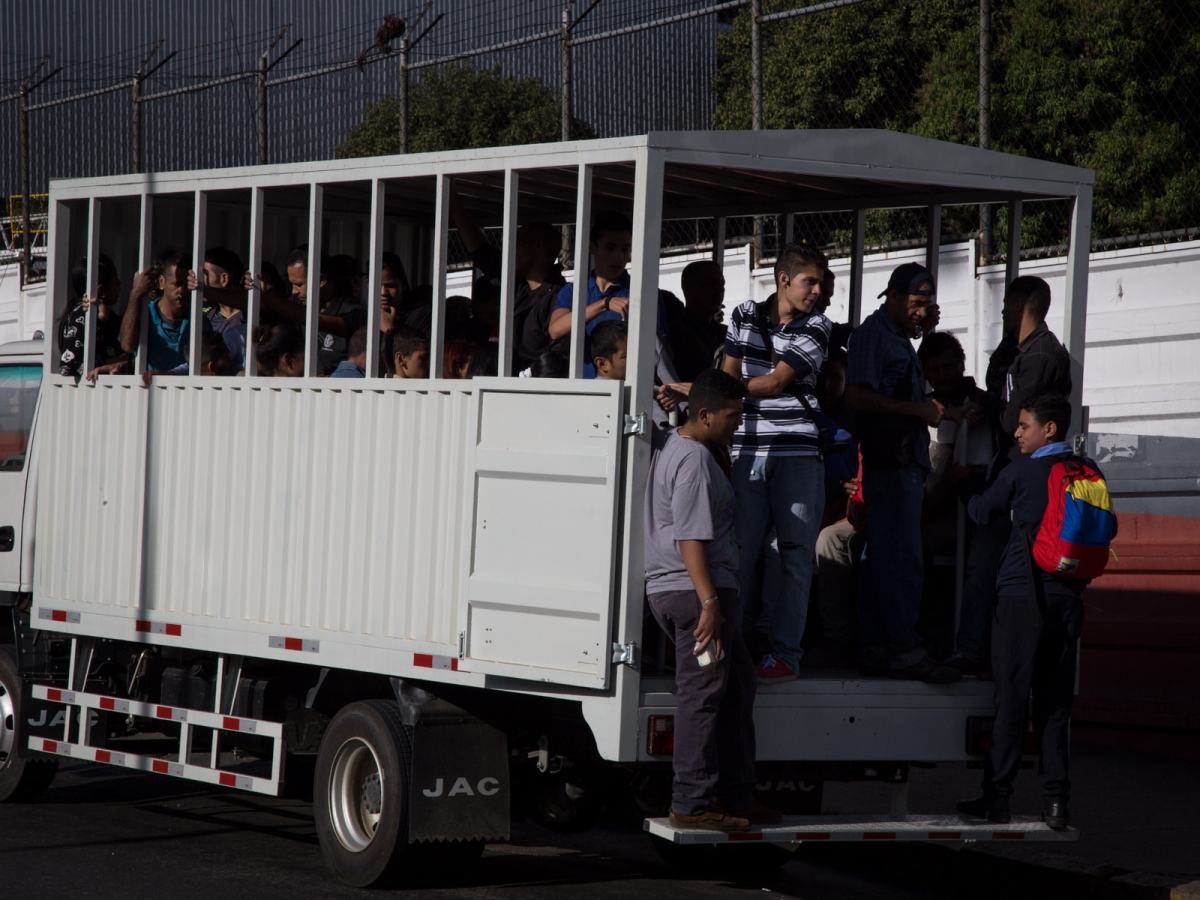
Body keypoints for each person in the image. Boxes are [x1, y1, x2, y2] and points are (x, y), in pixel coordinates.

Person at [956, 395, 1088, 830]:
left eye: (1025, 425)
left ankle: (998, 799)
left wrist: (964, 486)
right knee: (1054, 705)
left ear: (1049, 429)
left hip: (1020, 596)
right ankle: (1056, 804)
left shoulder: (1022, 471)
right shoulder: (1088, 472)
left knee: (1012, 701)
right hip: (1068, 599)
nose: (1017, 433)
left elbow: (981, 512)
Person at [644, 368, 757, 832]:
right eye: (732, 418)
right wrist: (709, 602)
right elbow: (691, 537)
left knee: (736, 687)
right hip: (695, 594)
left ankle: (735, 796)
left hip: (694, 591)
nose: (738, 426)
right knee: (703, 695)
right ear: (705, 415)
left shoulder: (682, 448)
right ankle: (691, 803)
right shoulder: (692, 461)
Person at [721, 243, 831, 683]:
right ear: (783, 279)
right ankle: (732, 647)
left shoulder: (820, 326)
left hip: (799, 456)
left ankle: (786, 654)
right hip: (746, 453)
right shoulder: (744, 313)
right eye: (810, 281)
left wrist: (706, 390)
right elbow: (730, 375)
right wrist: (718, 388)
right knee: (740, 556)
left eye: (820, 282)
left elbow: (772, 383)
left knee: (795, 557)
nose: (818, 291)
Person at [845, 261, 957, 683]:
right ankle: (905, 650)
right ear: (891, 297)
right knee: (902, 559)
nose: (921, 311)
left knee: (883, 558)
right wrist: (919, 410)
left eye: (927, 304)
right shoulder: (873, 337)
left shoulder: (897, 338)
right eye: (915, 303)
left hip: (901, 462)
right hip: (890, 465)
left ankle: (879, 647)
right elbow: (858, 396)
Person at [452, 196, 566, 374]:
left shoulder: (560, 297)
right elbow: (480, 251)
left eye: (516, 244)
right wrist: (452, 199)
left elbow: (556, 355)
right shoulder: (515, 282)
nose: (510, 251)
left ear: (537, 246)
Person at [548, 212, 632, 378]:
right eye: (610, 248)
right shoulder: (574, 291)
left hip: (622, 392)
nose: (619, 256)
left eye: (625, 249)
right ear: (592, 247)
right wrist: (604, 304)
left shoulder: (638, 294)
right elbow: (555, 329)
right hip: (580, 388)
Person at [998, 276, 1072, 439]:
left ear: (1018, 304)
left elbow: (1012, 420)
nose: (1003, 312)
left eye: (1006, 304)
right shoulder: (1016, 347)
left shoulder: (1040, 355)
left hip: (1026, 456)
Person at [119, 249, 207, 374]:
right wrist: (135, 294)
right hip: (151, 390)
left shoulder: (198, 319)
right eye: (176, 284)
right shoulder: (146, 315)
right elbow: (127, 346)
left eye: (185, 284)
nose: (182, 291)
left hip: (186, 392)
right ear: (161, 282)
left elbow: (205, 362)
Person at [285, 245, 366, 374]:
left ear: (322, 280)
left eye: (299, 285)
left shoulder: (353, 312)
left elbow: (316, 320)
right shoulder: (296, 302)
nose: (294, 291)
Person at [59, 254, 128, 377]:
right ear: (101, 291)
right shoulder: (81, 317)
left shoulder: (111, 318)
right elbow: (69, 367)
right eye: (115, 280)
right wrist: (104, 367)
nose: (119, 283)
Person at [664, 260, 726, 382]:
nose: (719, 290)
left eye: (721, 284)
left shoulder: (725, 333)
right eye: (710, 284)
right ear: (689, 288)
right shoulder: (677, 333)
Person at [199, 247, 247, 372]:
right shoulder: (206, 318)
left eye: (204, 274)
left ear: (224, 279)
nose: (198, 281)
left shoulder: (249, 315)